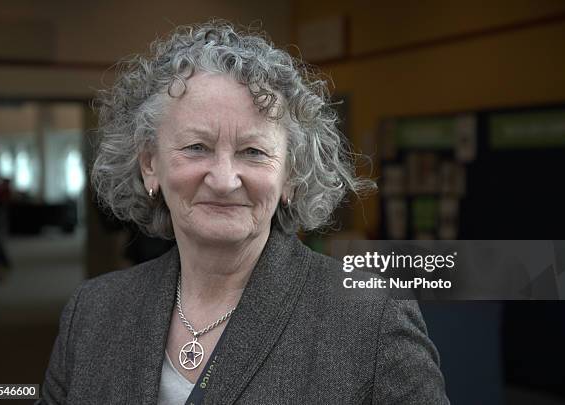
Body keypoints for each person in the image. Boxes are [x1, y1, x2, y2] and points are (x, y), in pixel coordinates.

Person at [39, 20, 449, 404]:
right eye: (196, 147)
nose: (223, 179)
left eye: (253, 152)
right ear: (151, 165)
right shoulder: (92, 312)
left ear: (291, 175)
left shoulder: (371, 318)